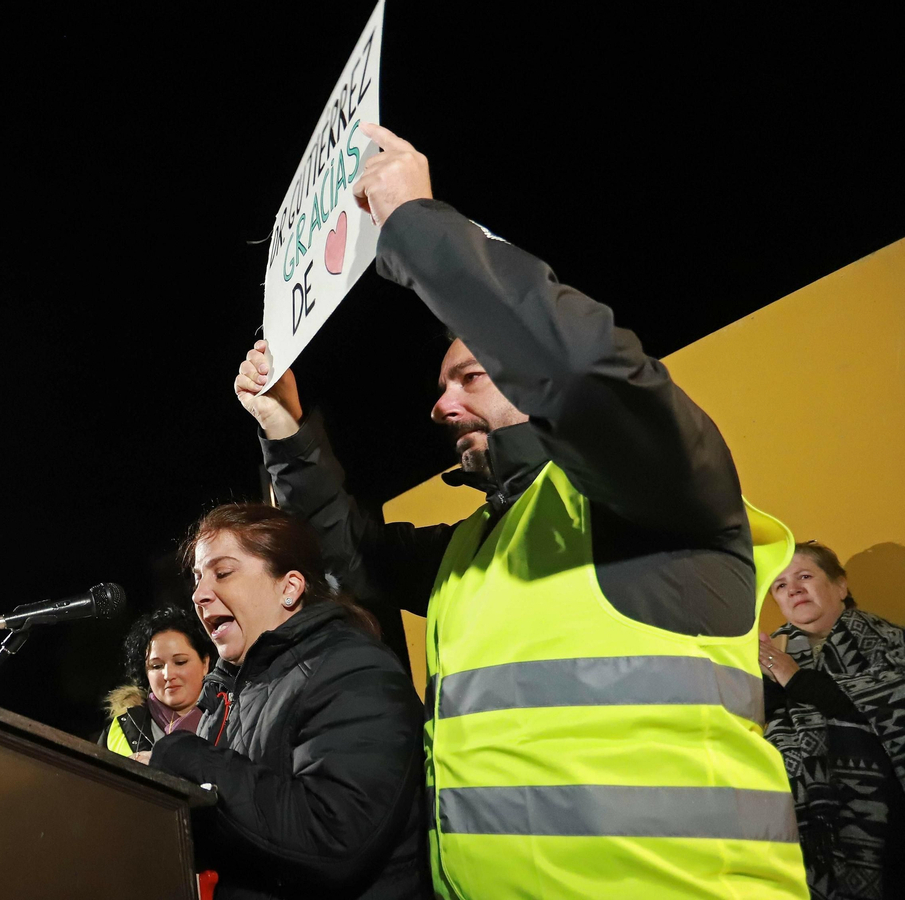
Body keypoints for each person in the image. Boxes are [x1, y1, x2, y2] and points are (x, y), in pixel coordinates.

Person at [233, 122, 806, 898]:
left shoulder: (652, 500)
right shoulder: (474, 549)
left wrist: (418, 230)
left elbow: (583, 375)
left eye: (470, 376)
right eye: (441, 387)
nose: (441, 405)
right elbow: (343, 556)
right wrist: (288, 434)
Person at [146, 503, 427, 900]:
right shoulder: (225, 699)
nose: (199, 594)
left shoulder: (353, 670)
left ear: (290, 587)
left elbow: (334, 838)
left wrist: (184, 756)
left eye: (222, 573)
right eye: (197, 578)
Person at [760, 541, 905, 899]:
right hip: (800, 829)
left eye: (805, 576)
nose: (793, 589)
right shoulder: (761, 658)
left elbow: (882, 710)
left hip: (888, 826)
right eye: (780, 585)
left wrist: (793, 677)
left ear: (841, 586)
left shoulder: (892, 644)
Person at [98, 605, 215, 757]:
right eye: (156, 666)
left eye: (180, 662)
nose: (168, 674)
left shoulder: (231, 720)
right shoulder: (121, 729)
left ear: (205, 663)